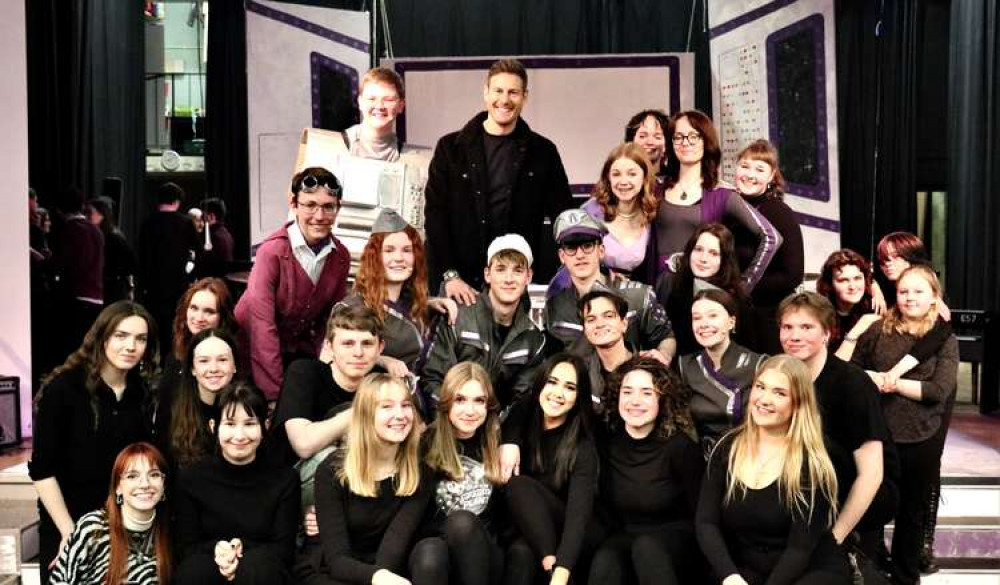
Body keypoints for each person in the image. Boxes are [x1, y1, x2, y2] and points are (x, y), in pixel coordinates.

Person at [30, 301, 158, 582]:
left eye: (140, 339)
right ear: (102, 337)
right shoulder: (64, 390)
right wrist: (70, 534)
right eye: (121, 335)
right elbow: (42, 471)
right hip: (68, 521)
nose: (131, 346)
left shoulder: (141, 393)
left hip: (122, 526)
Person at [425, 58, 573, 299]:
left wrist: (586, 268)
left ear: (525, 96)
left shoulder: (543, 152)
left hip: (514, 285)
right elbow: (435, 217)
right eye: (498, 91)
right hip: (461, 286)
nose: (504, 100)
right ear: (485, 93)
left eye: (513, 92)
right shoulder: (450, 148)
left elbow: (564, 217)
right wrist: (450, 276)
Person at [696, 355, 851, 585]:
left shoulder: (811, 463)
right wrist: (730, 577)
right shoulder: (726, 448)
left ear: (798, 403)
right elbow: (706, 522)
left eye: (780, 393)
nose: (764, 399)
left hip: (807, 571)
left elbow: (799, 549)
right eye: (760, 387)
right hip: (748, 570)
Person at [850, 266, 958, 585]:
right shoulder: (877, 330)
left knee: (912, 514)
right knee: (870, 508)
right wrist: (873, 378)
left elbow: (937, 391)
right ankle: (867, 574)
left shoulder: (943, 339)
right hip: (876, 435)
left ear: (934, 297)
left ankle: (905, 577)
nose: (910, 297)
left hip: (921, 438)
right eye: (903, 291)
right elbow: (853, 372)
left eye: (918, 291)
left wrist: (892, 383)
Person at [778, 292, 899, 566]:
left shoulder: (852, 384)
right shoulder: (782, 376)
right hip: (811, 490)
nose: (794, 336)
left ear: (827, 334)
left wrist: (836, 538)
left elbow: (872, 474)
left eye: (806, 327)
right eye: (787, 327)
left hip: (858, 493)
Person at [235, 166, 351, 400]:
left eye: (328, 207)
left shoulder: (340, 256)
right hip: (248, 355)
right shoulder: (272, 252)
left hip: (293, 354)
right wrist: (275, 397)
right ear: (294, 204)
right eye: (310, 205)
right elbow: (261, 329)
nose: (319, 216)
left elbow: (328, 324)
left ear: (338, 208)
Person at [589, 356, 705, 585]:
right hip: (626, 534)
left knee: (646, 547)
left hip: (676, 537)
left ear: (662, 400)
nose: (635, 401)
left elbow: (701, 514)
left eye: (646, 393)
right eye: (627, 391)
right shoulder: (606, 443)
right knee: (606, 559)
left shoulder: (680, 447)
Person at [173, 382, 301, 583]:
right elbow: (186, 547)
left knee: (259, 567)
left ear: (264, 426)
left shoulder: (284, 480)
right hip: (210, 568)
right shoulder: (191, 478)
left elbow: (284, 550)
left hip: (262, 574)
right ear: (213, 427)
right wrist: (219, 550)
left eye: (249, 424)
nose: (239, 436)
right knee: (193, 571)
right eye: (230, 424)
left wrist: (242, 549)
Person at [313, 373, 433, 584]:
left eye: (406, 405)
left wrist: (382, 576)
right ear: (366, 415)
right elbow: (337, 559)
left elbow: (393, 549)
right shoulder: (333, 470)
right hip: (338, 570)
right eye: (386, 407)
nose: (400, 415)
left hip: (388, 571)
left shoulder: (419, 472)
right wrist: (377, 576)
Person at [409, 362, 519, 585]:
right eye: (460, 399)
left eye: (478, 400)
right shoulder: (424, 445)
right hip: (438, 555)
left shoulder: (497, 443)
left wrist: (512, 441)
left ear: (488, 405)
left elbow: (528, 403)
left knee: (462, 522)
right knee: (430, 551)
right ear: (447, 402)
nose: (470, 411)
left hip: (484, 556)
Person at [421, 234, 546, 416]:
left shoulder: (533, 339)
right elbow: (431, 379)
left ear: (529, 276)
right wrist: (457, 418)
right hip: (447, 423)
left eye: (518, 271)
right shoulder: (458, 317)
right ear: (487, 274)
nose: (509, 279)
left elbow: (521, 402)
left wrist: (494, 430)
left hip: (494, 433)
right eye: (501, 269)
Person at [505, 354, 603, 585]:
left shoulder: (582, 446)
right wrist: (508, 441)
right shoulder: (523, 418)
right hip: (536, 532)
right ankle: (548, 560)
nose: (558, 393)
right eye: (552, 382)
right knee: (520, 553)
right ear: (540, 384)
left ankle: (552, 567)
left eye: (569, 387)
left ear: (578, 397)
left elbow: (578, 516)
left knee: (519, 485)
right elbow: (519, 408)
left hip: (577, 530)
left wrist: (561, 572)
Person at [655, 110, 781, 286]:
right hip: (656, 288)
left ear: (706, 141)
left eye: (694, 136)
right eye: (678, 136)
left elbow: (771, 237)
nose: (686, 142)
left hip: (702, 294)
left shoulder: (722, 194)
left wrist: (743, 286)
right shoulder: (655, 188)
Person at [337, 209, 456, 378]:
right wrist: (382, 360)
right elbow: (333, 357)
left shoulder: (415, 306)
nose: (399, 258)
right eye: (389, 250)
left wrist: (429, 302)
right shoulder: (352, 307)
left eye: (407, 250)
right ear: (375, 257)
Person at [544, 209, 674, 363]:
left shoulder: (638, 296)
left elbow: (666, 337)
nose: (580, 255)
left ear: (601, 251)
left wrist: (663, 355)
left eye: (587, 245)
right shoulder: (556, 305)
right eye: (571, 248)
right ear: (562, 256)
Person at [271, 304, 384, 466]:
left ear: (380, 348)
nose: (358, 353)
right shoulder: (305, 372)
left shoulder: (382, 381)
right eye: (348, 343)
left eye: (367, 344)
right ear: (330, 347)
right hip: (291, 480)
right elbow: (303, 444)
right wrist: (364, 410)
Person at [50, 442, 172, 585]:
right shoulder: (93, 529)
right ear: (117, 488)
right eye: (132, 476)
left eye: (154, 475)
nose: (145, 484)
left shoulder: (171, 533)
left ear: (163, 485)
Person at [730, 140, 804, 354]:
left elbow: (792, 275)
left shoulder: (779, 213)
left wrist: (740, 289)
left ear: (771, 176)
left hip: (768, 320)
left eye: (759, 169)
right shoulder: (728, 210)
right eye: (744, 166)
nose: (750, 174)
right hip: (735, 316)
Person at [679, 289, 766, 453]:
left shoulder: (759, 364)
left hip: (749, 456)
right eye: (697, 318)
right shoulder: (685, 366)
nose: (703, 324)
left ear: (731, 322)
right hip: (700, 460)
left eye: (713, 316)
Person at [656, 223, 749, 356]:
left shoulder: (736, 299)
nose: (703, 259)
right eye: (698, 249)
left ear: (724, 260)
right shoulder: (674, 285)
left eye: (713, 253)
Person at [156, 328, 238, 469]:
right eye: (204, 361)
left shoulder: (248, 407)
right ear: (193, 368)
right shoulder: (173, 408)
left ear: (234, 366)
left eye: (222, 360)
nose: (213, 368)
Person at [155, 278, 236, 420]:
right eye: (194, 308)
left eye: (209, 312)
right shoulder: (175, 355)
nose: (199, 318)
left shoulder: (227, 360)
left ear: (222, 317)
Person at [580, 143, 659, 283]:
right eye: (616, 174)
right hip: (595, 294)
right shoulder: (589, 212)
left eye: (632, 174)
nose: (623, 181)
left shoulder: (653, 214)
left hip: (637, 296)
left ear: (645, 177)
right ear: (608, 178)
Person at [138, 182, 199, 352]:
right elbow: (197, 255)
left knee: (156, 329)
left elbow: (141, 258)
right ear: (177, 201)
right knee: (178, 328)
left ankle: (157, 364)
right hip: (179, 287)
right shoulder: (186, 223)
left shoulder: (147, 223)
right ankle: (175, 365)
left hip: (152, 289)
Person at [49, 186, 105, 362]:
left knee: (72, 351)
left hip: (76, 298)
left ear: (59, 210)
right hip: (96, 297)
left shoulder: (70, 230)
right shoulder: (96, 230)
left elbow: (59, 265)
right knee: (89, 352)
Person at [576, 290, 636, 410]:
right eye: (591, 319)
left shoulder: (649, 369)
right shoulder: (579, 373)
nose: (600, 324)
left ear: (624, 324)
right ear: (585, 330)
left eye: (608, 316)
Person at [815, 249, 878, 351]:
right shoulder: (819, 316)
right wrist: (857, 331)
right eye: (843, 280)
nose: (852, 286)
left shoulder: (872, 306)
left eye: (857, 278)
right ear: (830, 284)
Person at [339, 67, 406, 161]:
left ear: (401, 106)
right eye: (372, 99)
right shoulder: (332, 147)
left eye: (388, 100)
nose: (379, 106)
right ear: (360, 102)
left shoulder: (415, 161)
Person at [88, 195, 138, 304]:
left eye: (90, 212)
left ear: (102, 215)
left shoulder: (114, 237)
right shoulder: (93, 236)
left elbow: (132, 264)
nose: (87, 216)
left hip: (113, 290)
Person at [624, 109, 669, 198]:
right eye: (643, 136)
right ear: (630, 142)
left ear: (666, 146)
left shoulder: (674, 184)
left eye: (657, 137)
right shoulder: (617, 179)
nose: (649, 142)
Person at [198, 197, 236, 278]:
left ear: (211, 217)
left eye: (203, 216)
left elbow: (204, 267)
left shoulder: (211, 237)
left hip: (211, 285)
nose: (201, 220)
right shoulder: (227, 234)